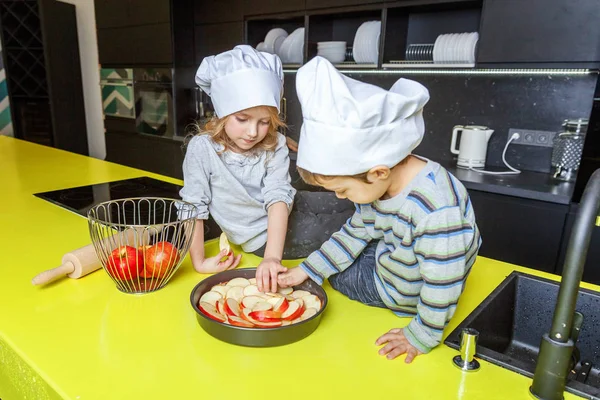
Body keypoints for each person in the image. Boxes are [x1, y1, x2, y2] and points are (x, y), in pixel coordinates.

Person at [278, 57, 482, 363]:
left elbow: (443, 281)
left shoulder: (437, 210)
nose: (341, 197)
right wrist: (308, 269)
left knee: (339, 276)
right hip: (402, 259)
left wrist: (421, 335)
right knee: (352, 244)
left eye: (343, 190)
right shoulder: (386, 182)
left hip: (404, 291)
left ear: (378, 172)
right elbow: (354, 233)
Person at [180, 46, 354, 293]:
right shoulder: (202, 149)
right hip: (264, 239)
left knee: (353, 203)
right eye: (242, 119)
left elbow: (278, 196)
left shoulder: (276, 143)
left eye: (263, 122)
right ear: (222, 113)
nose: (253, 132)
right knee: (354, 223)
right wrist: (199, 261)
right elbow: (193, 206)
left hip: (287, 207)